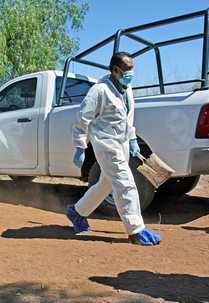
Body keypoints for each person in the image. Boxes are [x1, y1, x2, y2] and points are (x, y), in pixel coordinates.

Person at [66, 52, 161, 245]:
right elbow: (82, 120)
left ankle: (77, 212)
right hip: (106, 144)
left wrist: (133, 140)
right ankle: (136, 230)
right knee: (125, 182)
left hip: (123, 143)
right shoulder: (99, 91)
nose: (131, 73)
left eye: (133, 68)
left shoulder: (127, 89)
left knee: (106, 184)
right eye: (128, 69)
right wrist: (79, 147)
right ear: (115, 70)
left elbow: (128, 119)